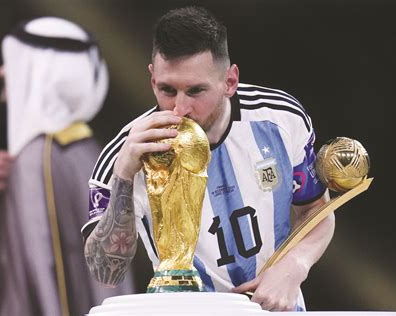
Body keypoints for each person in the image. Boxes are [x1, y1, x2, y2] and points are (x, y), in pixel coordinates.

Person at [82, 6, 334, 312]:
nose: (180, 108)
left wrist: (295, 265)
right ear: (152, 79)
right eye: (167, 89)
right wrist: (122, 175)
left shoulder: (281, 119)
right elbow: (106, 272)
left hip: (273, 311)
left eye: (195, 90)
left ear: (230, 81)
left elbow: (316, 210)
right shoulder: (124, 153)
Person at [0, 17, 135, 316]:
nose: (1, 71)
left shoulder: (37, 160)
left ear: (41, 72)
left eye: (11, 62)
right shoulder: (90, 151)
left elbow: (34, 277)